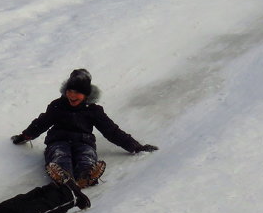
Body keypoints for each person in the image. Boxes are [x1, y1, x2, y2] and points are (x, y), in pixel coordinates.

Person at [10, 68, 158, 188]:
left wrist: (136, 147)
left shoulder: (93, 110)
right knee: (59, 155)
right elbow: (41, 123)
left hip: (83, 142)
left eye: (77, 93)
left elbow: (111, 131)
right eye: (69, 91)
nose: (72, 96)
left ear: (86, 94)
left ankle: (86, 176)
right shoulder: (57, 105)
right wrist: (25, 136)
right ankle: (62, 177)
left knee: (86, 156)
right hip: (58, 140)